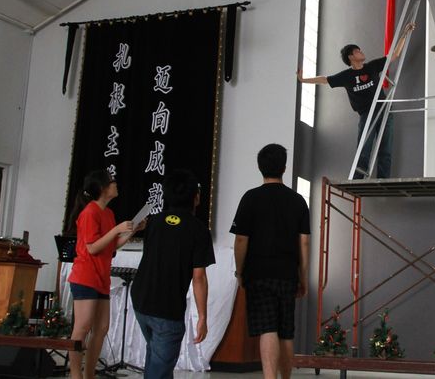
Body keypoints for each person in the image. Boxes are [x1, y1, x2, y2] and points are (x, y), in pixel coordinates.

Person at [231, 144, 310, 379]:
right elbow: (304, 243)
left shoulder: (250, 198)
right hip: (287, 274)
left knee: (268, 328)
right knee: (285, 331)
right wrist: (302, 277)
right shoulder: (298, 201)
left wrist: (239, 271)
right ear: (284, 168)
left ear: (260, 167)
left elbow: (241, 240)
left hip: (258, 274)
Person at [296, 22, 415, 179]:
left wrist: (405, 34)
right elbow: (324, 79)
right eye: (357, 51)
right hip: (366, 113)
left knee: (386, 148)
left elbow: (394, 55)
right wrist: (304, 80)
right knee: (364, 147)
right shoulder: (346, 76)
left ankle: (383, 179)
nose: (361, 52)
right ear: (351, 57)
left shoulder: (372, 67)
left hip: (384, 110)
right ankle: (358, 179)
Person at [130, 169, 215, 379]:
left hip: (141, 300)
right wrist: (203, 317)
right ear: (196, 198)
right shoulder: (199, 230)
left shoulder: (154, 222)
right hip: (167, 308)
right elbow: (199, 277)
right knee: (159, 368)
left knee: (157, 358)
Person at [66, 170, 137, 379]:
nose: (116, 184)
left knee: (102, 327)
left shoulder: (108, 213)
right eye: (112, 182)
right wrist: (116, 230)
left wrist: (132, 231)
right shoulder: (90, 212)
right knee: (83, 326)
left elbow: (111, 246)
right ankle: (75, 374)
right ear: (102, 188)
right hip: (85, 276)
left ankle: (89, 373)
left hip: (101, 277)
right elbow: (92, 248)